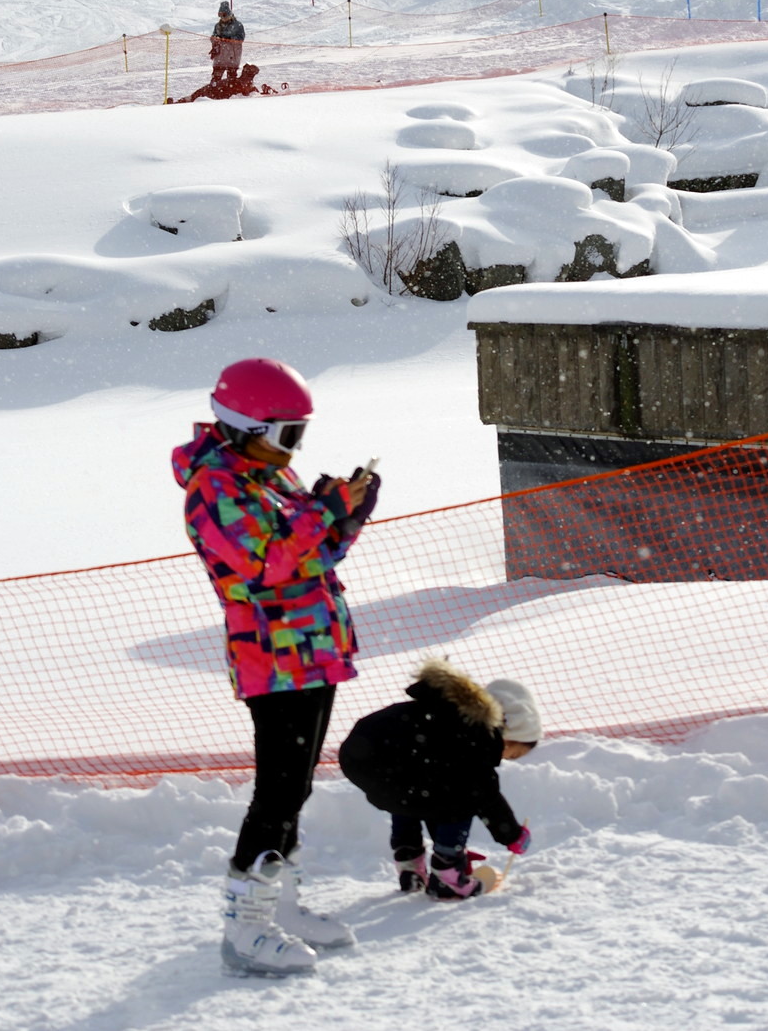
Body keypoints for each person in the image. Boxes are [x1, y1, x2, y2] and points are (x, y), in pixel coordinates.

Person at [172, 358, 379, 975]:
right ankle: (245, 927)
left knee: (298, 787)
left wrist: (346, 514)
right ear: (242, 426)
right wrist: (326, 512)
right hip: (273, 656)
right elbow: (268, 563)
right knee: (277, 790)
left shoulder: (268, 476)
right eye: (285, 434)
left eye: (300, 434)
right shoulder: (215, 488)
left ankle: (279, 902)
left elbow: (314, 557)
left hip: (312, 647)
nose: (292, 449)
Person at [338, 660, 540, 901]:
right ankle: (447, 877)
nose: (506, 759)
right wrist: (512, 835)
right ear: (508, 734)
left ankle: (410, 865)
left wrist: (451, 846)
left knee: (414, 798)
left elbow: (436, 799)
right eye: (513, 753)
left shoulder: (450, 716)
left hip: (363, 755)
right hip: (380, 754)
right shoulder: (477, 736)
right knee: (465, 796)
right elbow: (486, 797)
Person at [210, 2, 245, 87]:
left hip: (232, 55)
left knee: (231, 77)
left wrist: (229, 39)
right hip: (220, 56)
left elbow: (241, 38)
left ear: (229, 14)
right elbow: (214, 36)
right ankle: (213, 91)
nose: (222, 18)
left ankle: (231, 92)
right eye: (220, 15)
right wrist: (214, 39)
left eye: (224, 15)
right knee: (216, 77)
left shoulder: (238, 25)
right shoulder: (217, 26)